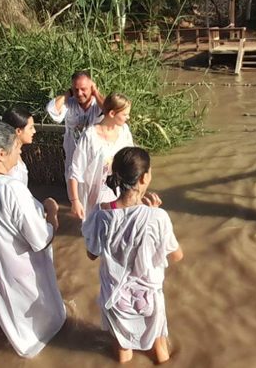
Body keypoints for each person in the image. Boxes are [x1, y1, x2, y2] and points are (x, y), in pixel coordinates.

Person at [0, 121, 65, 358]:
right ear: (0, 153)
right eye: (17, 148)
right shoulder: (10, 188)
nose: (20, 152)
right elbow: (41, 239)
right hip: (23, 270)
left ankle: (23, 349)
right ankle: (48, 342)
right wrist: (51, 213)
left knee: (14, 316)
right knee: (42, 318)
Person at [83, 147, 182, 364]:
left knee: (122, 350)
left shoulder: (101, 214)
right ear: (145, 177)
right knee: (160, 348)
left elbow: (92, 254)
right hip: (149, 297)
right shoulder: (157, 217)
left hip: (116, 298)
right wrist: (154, 211)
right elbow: (176, 256)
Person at [68, 93, 134, 220]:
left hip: (121, 192)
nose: (128, 117)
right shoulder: (90, 136)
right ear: (112, 114)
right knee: (98, 228)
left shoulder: (124, 131)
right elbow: (75, 170)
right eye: (125, 114)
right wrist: (75, 201)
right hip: (96, 194)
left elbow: (132, 160)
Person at [46, 70, 105, 180]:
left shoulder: (98, 105)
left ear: (91, 87)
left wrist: (96, 92)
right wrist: (68, 93)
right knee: (74, 196)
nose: (79, 93)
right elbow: (52, 110)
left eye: (83, 89)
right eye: (76, 89)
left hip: (95, 164)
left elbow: (110, 111)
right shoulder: (69, 103)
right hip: (73, 162)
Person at [1, 106, 36, 186]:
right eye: (30, 128)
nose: (34, 131)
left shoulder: (15, 153)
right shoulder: (11, 164)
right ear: (18, 131)